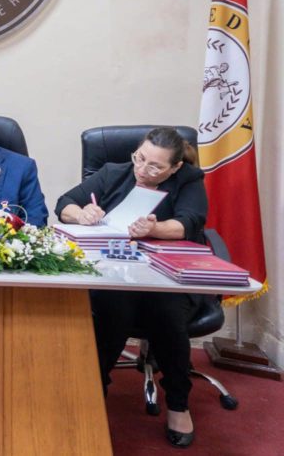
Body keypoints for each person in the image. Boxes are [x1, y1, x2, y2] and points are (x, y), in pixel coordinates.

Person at [55, 127, 207, 448]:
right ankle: (94, 394)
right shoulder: (114, 173)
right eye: (140, 158)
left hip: (165, 277)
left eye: (155, 167)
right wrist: (82, 214)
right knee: (112, 307)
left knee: (166, 311)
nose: (142, 169)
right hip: (117, 275)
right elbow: (64, 203)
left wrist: (156, 228)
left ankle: (178, 403)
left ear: (175, 167)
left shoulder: (188, 180)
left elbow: (189, 222)